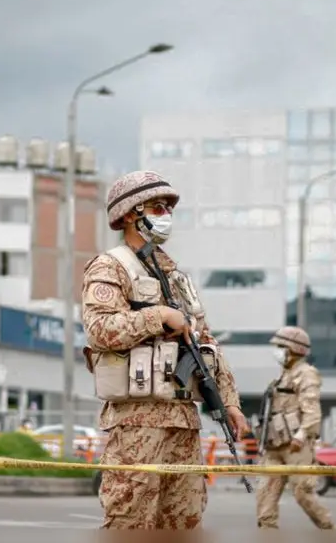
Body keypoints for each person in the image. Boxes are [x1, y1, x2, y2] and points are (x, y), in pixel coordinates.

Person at [81, 170, 250, 530]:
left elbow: (206, 344)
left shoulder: (175, 276)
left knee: (183, 523)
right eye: (157, 207)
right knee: (130, 522)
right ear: (130, 214)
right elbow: (100, 330)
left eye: (167, 208)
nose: (165, 216)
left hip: (183, 423)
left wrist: (230, 402)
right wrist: (159, 316)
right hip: (136, 423)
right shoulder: (111, 267)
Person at [255, 326, 334, 530]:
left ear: (294, 349)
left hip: (296, 446)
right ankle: (267, 533)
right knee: (265, 494)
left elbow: (312, 410)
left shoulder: (306, 374)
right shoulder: (283, 375)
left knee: (303, 493)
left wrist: (301, 435)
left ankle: (327, 528)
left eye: (280, 346)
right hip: (275, 445)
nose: (277, 351)